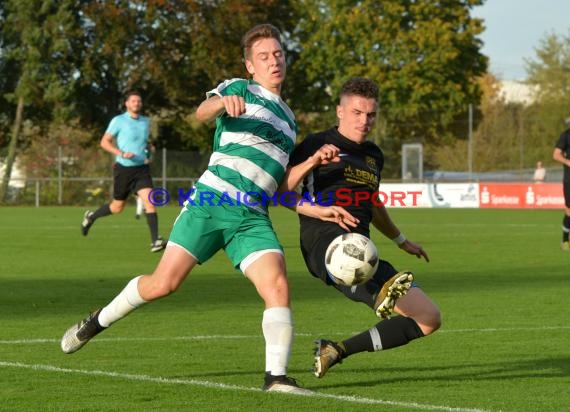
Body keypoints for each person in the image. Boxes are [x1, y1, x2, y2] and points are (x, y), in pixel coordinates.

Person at [61, 23, 356, 394]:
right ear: (250, 65)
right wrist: (222, 103)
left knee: (277, 285)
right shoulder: (240, 88)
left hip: (251, 217)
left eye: (278, 54)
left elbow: (279, 189)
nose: (273, 61)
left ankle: (276, 378)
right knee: (162, 284)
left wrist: (316, 193)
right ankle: (96, 321)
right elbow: (202, 112)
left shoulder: (289, 119)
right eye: (263, 57)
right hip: (211, 203)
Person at [287, 77, 442, 378]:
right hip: (324, 242)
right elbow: (281, 190)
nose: (364, 120)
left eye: (371, 114)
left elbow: (373, 203)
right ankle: (379, 293)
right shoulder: (315, 144)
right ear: (340, 112)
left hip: (363, 251)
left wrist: (401, 240)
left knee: (428, 318)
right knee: (355, 262)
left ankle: (336, 349)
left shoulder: (374, 156)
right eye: (357, 112)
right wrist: (313, 162)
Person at [80, 91, 166, 253]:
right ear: (126, 104)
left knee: (150, 202)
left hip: (141, 169)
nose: (137, 103)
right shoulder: (118, 121)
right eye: (133, 101)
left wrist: (149, 151)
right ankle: (91, 217)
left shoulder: (146, 122)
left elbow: (144, 143)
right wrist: (121, 153)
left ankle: (155, 241)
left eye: (139, 101)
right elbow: (104, 142)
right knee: (117, 207)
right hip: (124, 170)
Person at [553, 117, 570, 251]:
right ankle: (565, 240)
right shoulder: (566, 135)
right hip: (569, 178)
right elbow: (556, 154)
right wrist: (568, 162)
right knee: (569, 210)